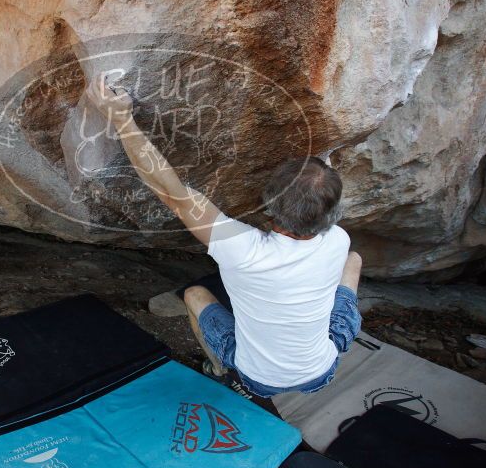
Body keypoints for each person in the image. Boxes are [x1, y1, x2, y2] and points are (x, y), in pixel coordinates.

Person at [86, 73, 362, 397]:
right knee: (353, 261)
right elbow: (322, 195)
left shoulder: (244, 252)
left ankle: (219, 369)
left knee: (194, 296)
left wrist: (121, 118)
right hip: (323, 366)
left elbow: (172, 193)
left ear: (270, 208)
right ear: (330, 215)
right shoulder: (338, 239)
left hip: (259, 378)